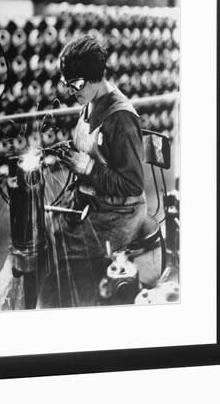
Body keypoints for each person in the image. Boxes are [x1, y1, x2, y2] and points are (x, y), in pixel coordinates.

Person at [37, 34, 162, 308]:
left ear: (96, 77)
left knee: (59, 250)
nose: (72, 91)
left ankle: (77, 310)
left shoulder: (121, 118)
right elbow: (94, 148)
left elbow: (132, 185)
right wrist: (64, 150)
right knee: (44, 229)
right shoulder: (90, 102)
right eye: (67, 85)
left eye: (77, 85)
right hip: (94, 203)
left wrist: (87, 167)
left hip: (118, 215)